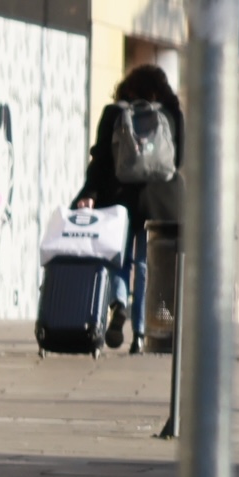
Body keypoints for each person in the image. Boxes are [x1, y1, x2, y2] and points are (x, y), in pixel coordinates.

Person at [75, 64, 184, 350]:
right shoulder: (171, 114)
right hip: (160, 201)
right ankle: (141, 333)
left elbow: (100, 159)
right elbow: (178, 159)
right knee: (148, 265)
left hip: (119, 197)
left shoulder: (114, 113)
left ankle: (119, 303)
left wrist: (89, 193)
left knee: (119, 259)